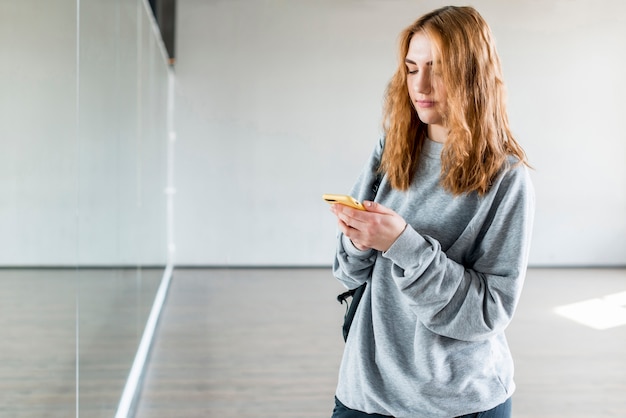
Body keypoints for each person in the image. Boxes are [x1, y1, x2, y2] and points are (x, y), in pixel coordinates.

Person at [328, 5, 534, 418]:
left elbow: (488, 311)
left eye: (438, 69)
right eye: (411, 68)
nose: (420, 85)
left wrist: (402, 244)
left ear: (472, 75)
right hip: (366, 393)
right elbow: (347, 271)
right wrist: (357, 236)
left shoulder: (507, 177)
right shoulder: (391, 148)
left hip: (460, 402)